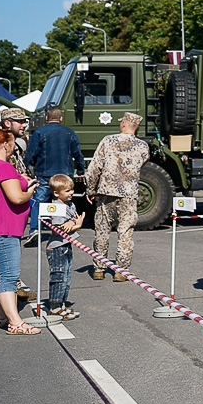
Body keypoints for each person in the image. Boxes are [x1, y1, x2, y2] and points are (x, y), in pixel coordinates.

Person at [0, 128, 38, 334]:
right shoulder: (3, 167)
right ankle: (16, 322)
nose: (14, 146)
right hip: (4, 229)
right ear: (6, 145)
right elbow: (16, 197)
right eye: (13, 142)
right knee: (9, 275)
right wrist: (29, 190)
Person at [85, 112, 150, 281]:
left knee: (102, 230)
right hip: (128, 194)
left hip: (106, 192)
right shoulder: (143, 146)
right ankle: (121, 270)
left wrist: (90, 189)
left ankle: (99, 268)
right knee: (125, 232)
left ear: (123, 124)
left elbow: (94, 168)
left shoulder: (108, 141)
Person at [24, 105, 85, 238]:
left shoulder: (39, 132)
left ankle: (34, 229)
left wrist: (27, 167)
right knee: (64, 201)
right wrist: (80, 169)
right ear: (61, 118)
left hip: (45, 173)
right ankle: (63, 227)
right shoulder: (70, 132)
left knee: (39, 201)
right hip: (65, 173)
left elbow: (32, 153)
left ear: (46, 118)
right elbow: (77, 153)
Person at [43, 173, 84, 320]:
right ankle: (54, 306)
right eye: (67, 191)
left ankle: (61, 304)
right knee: (58, 276)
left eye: (72, 189)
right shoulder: (56, 206)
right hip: (57, 247)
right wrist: (75, 225)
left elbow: (71, 223)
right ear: (56, 193)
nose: (71, 193)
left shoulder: (70, 205)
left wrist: (74, 224)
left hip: (66, 245)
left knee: (66, 277)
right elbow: (57, 229)